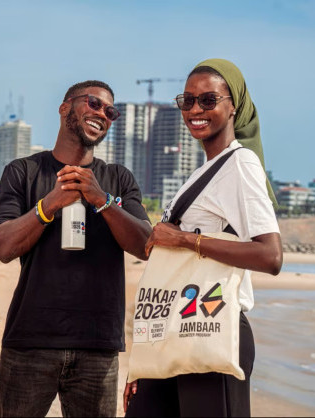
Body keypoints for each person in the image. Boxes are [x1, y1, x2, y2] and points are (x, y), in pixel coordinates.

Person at [123, 59, 283, 417]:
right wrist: (143, 361)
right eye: (188, 100)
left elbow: (270, 256)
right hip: (175, 327)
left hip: (212, 326)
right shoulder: (204, 172)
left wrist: (184, 240)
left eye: (208, 100)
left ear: (234, 106)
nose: (195, 110)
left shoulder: (240, 164)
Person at [0, 80, 152, 417]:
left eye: (110, 111)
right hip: (30, 341)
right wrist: (48, 205)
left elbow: (145, 245)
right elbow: (4, 246)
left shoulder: (119, 179)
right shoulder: (23, 172)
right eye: (93, 103)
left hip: (98, 346)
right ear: (65, 108)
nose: (102, 113)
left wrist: (102, 200)